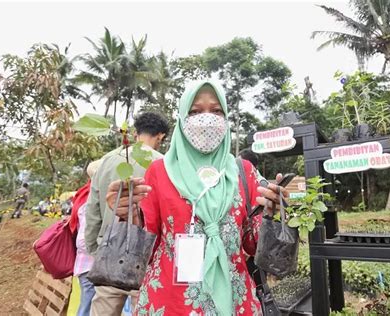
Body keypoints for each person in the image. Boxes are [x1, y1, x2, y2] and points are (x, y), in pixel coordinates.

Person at [105, 80, 288, 316]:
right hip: (171, 303)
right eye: (195, 111)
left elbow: (253, 245)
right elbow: (146, 248)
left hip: (235, 301)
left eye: (216, 111)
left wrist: (271, 213)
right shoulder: (160, 172)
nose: (206, 119)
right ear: (182, 118)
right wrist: (128, 214)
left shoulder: (243, 172)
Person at [85, 112, 169, 316]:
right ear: (161, 136)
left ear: (136, 133)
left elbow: (93, 210)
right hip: (147, 255)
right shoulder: (164, 164)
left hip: (109, 251)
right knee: (146, 307)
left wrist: (95, 249)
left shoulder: (107, 161)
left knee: (103, 309)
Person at [73, 159, 102, 316]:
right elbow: (82, 241)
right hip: (89, 266)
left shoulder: (84, 195)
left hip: (89, 266)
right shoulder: (90, 202)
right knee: (87, 308)